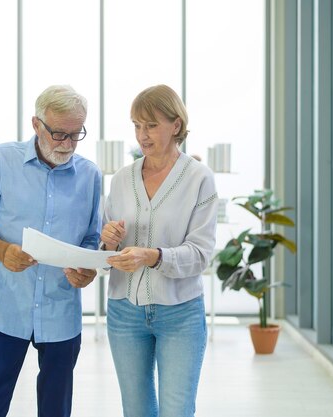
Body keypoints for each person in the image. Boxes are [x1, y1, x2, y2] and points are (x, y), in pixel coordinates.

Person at [0, 85, 102, 417]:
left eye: (76, 134)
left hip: (61, 314)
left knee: (56, 411)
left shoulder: (90, 175)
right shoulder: (0, 160)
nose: (67, 144)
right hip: (3, 309)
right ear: (36, 125)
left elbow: (91, 238)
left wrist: (87, 270)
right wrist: (3, 251)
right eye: (59, 134)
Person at [101, 84, 218, 417]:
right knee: (136, 411)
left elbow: (201, 254)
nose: (142, 135)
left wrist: (153, 256)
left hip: (180, 313)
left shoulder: (199, 179)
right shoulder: (121, 179)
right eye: (137, 125)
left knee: (176, 411)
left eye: (151, 125)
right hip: (124, 311)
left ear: (176, 125)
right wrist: (109, 240)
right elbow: (107, 250)